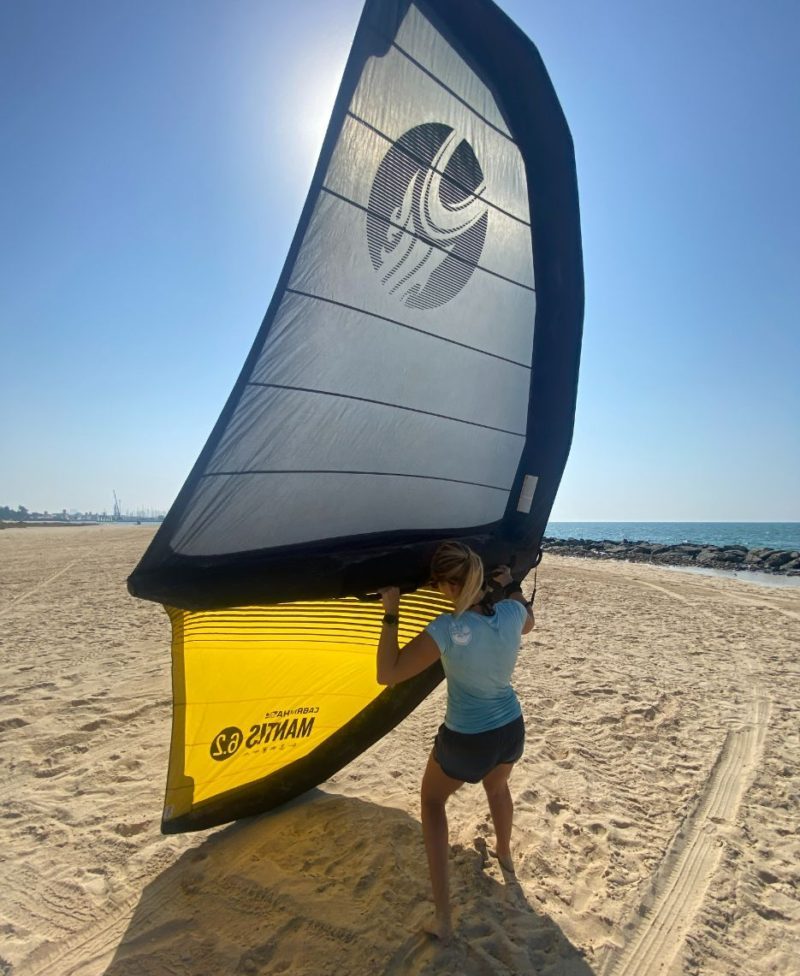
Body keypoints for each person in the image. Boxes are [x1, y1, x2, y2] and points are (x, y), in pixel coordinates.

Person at [376, 541, 535, 943]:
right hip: (511, 728)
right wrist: (510, 585)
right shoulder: (514, 613)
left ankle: (444, 919)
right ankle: (504, 852)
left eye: (436, 584)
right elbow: (529, 619)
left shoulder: (447, 629)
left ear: (449, 585)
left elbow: (388, 673)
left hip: (467, 738)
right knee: (497, 788)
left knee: (432, 801)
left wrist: (391, 612)